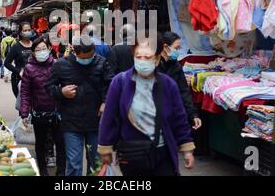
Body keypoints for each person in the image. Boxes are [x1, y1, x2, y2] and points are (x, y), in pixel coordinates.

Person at [98, 36, 195, 176]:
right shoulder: (120, 82)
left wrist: (187, 149)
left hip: (162, 152)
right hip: (132, 154)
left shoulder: (168, 84)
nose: (142, 61)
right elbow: (109, 118)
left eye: (147, 57)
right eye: (139, 56)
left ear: (156, 60)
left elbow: (179, 118)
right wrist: (105, 149)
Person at [46, 36, 114, 176]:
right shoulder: (61, 65)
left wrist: (106, 102)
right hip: (71, 122)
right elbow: (49, 87)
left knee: (96, 163)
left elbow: (111, 85)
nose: (87, 60)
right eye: (83, 58)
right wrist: (61, 92)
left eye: (90, 56)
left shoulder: (101, 63)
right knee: (74, 164)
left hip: (95, 121)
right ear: (75, 52)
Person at [20, 36, 66, 176]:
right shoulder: (29, 68)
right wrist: (24, 113)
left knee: (60, 143)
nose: (41, 52)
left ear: (49, 49)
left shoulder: (58, 65)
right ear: (33, 52)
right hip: (39, 113)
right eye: (37, 50)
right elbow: (25, 92)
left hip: (58, 112)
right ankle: (43, 170)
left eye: (43, 49)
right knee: (40, 143)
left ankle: (61, 172)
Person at [158, 32, 202, 130]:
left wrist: (193, 115)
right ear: (165, 47)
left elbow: (184, 91)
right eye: (176, 48)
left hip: (174, 114)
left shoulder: (176, 65)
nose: (178, 51)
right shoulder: (153, 65)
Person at [4, 22, 35, 98]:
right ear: (20, 32)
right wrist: (18, 71)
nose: (27, 32)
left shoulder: (35, 45)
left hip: (34, 79)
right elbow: (7, 63)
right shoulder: (16, 47)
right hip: (19, 80)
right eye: (25, 30)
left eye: (29, 30)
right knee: (23, 104)